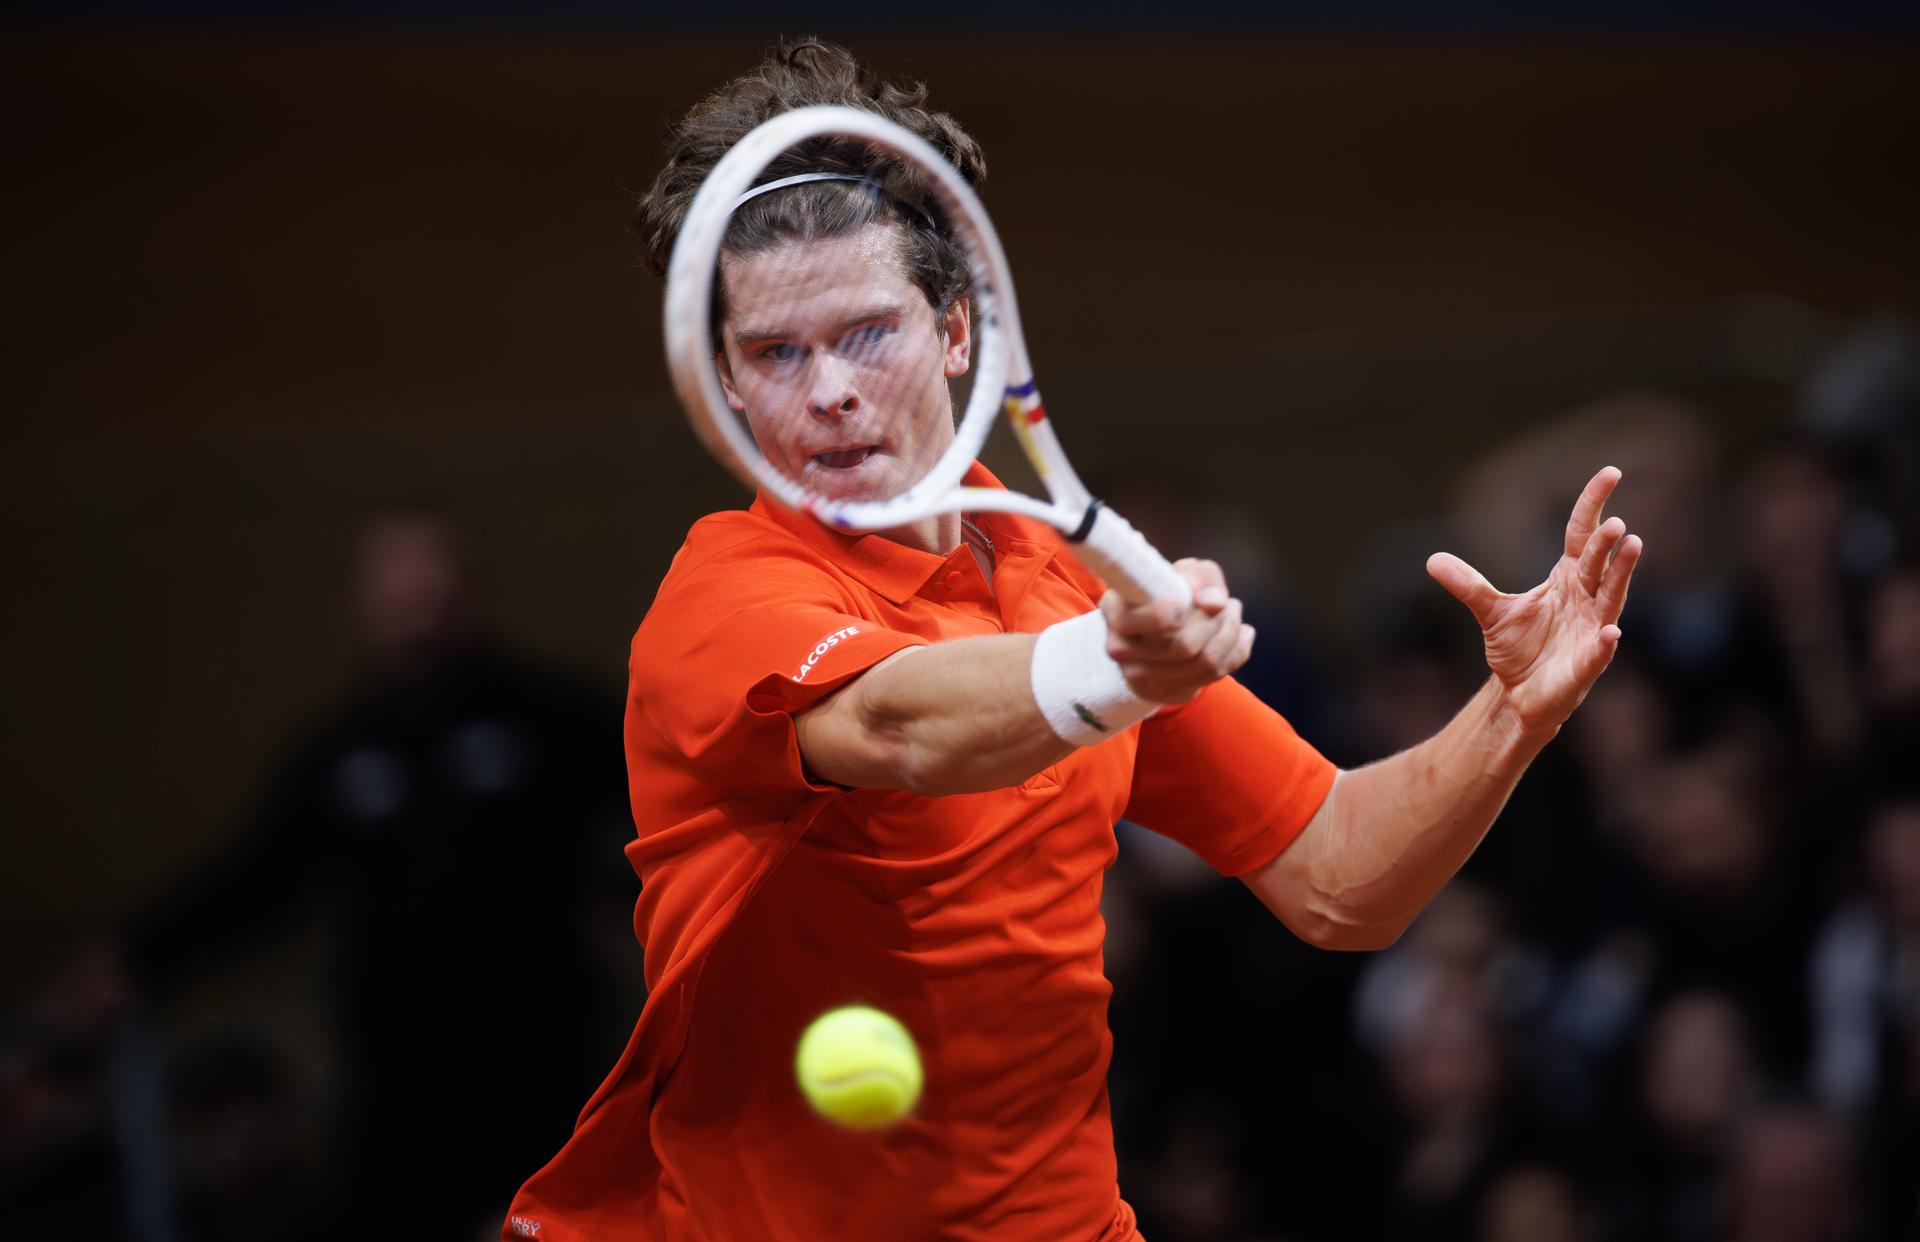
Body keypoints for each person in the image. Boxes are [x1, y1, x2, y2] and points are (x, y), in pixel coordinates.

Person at [505, 39, 1642, 1242]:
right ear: (727, 384)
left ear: (956, 330)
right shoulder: (724, 597)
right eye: (776, 354)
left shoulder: (1059, 585)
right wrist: (1114, 670)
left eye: (865, 334)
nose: (828, 391)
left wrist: (1515, 713)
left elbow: (1340, 878)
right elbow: (895, 724)